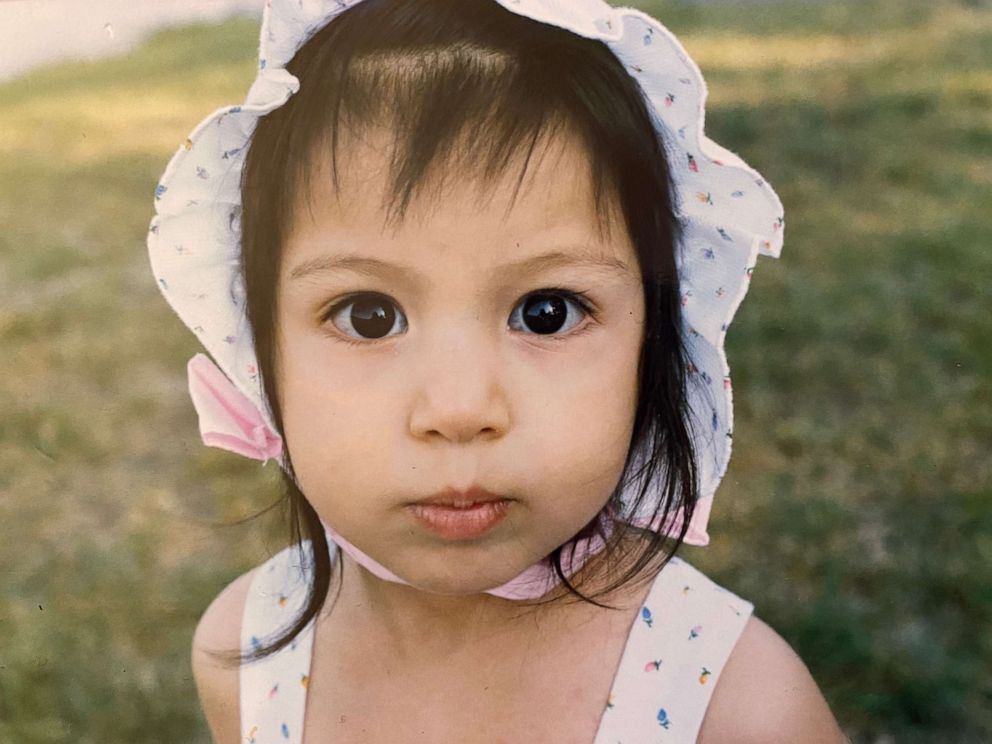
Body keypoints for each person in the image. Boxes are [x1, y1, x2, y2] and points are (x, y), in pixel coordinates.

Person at [148, 0, 848, 741]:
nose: (458, 407)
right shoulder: (246, 656)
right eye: (368, 315)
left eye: (546, 311)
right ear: (259, 355)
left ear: (655, 345)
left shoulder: (742, 710)